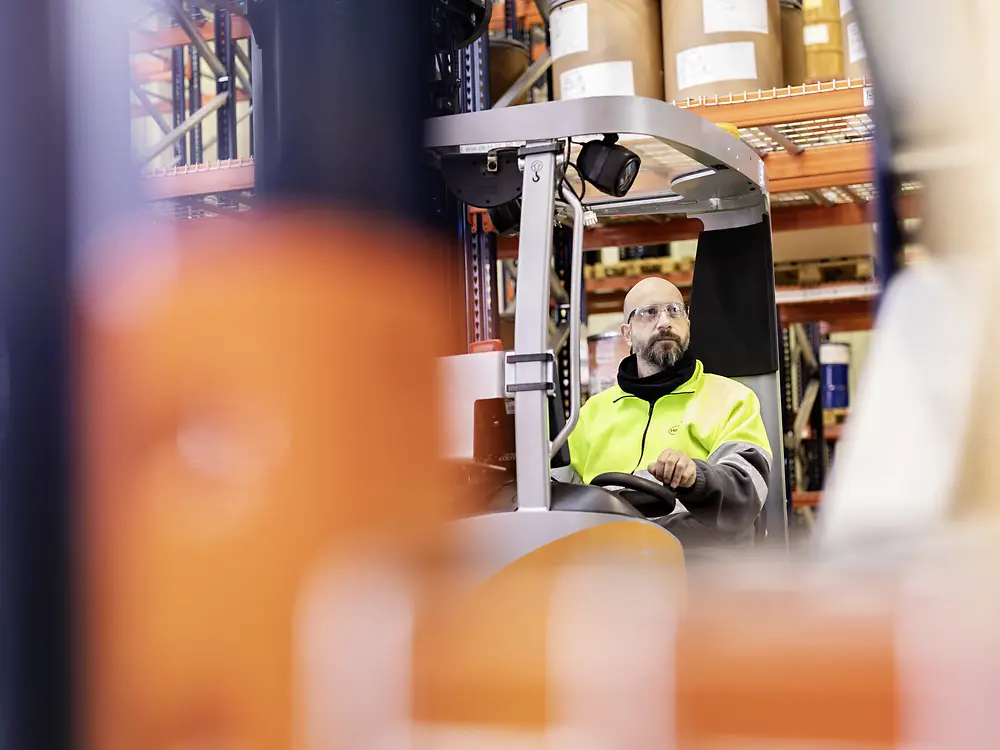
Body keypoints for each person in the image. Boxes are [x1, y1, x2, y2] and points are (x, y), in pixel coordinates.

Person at [566, 277, 772, 546]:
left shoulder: (731, 398)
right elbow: (556, 495)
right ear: (627, 333)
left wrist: (695, 477)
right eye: (649, 313)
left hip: (700, 565)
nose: (664, 322)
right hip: (612, 562)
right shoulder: (590, 414)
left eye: (675, 311)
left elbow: (746, 490)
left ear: (687, 323)